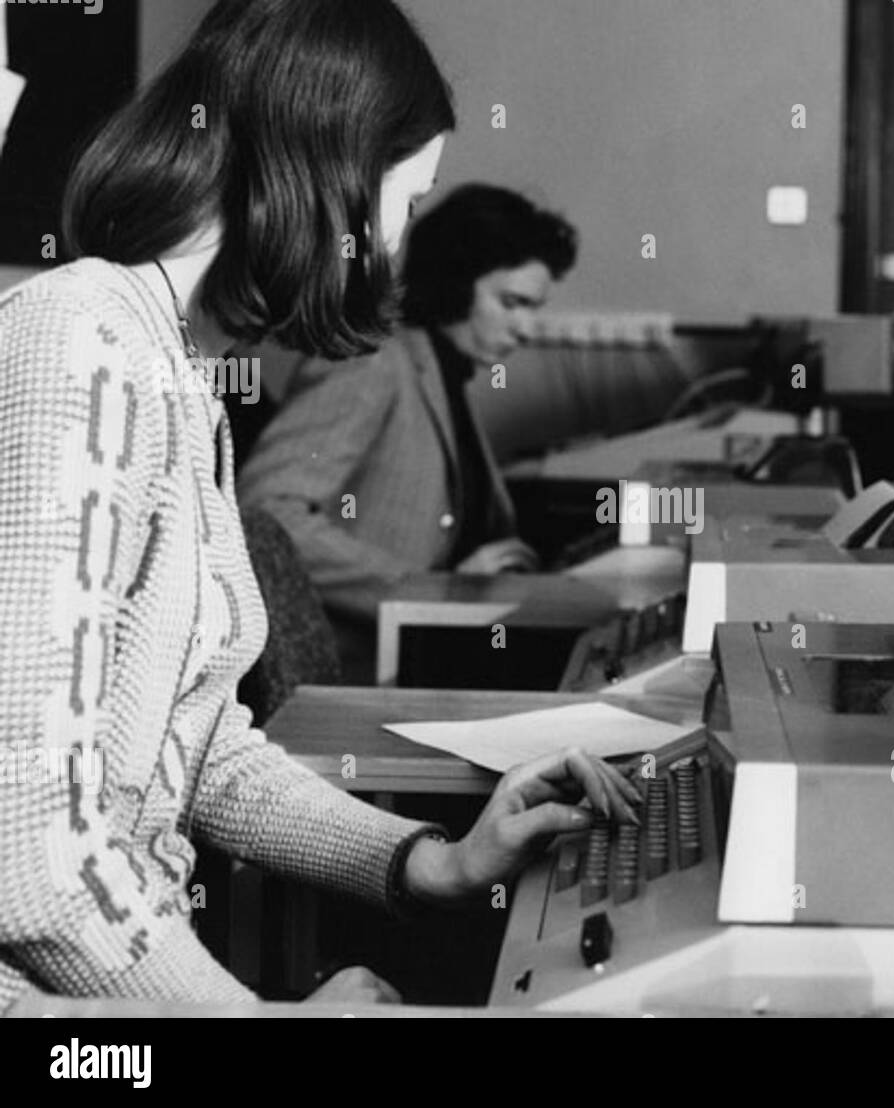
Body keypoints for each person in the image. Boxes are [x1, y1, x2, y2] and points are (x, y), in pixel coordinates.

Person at [0, 0, 637, 1014]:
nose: (394, 248)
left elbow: (203, 751)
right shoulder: (81, 345)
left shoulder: (175, 369)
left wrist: (432, 861)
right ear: (327, 167)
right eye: (405, 203)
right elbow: (33, 853)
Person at [237, 185, 578, 679]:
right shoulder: (372, 361)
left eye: (533, 308)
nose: (526, 328)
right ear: (458, 284)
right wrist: (424, 589)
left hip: (429, 655)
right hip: (356, 667)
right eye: (512, 302)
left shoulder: (442, 371)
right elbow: (266, 513)